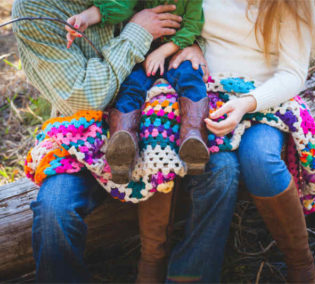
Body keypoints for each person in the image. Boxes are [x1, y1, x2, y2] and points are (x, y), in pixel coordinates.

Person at [12, 0, 239, 282]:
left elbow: (192, 17)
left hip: (163, 115)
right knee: (53, 211)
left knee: (223, 171)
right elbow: (85, 98)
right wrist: (137, 31)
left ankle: (189, 275)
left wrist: (193, 45)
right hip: (82, 134)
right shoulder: (36, 9)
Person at [166, 0, 315, 282]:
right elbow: (185, 20)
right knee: (219, 168)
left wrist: (247, 104)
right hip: (208, 95)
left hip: (265, 101)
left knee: (260, 159)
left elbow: (293, 73)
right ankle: (192, 276)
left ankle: (301, 263)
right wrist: (190, 44)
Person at [65, 0, 209, 184]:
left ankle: (194, 136)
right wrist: (85, 18)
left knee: (191, 78)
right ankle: (122, 145)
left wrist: (164, 51)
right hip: (143, 54)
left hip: (176, 52)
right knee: (131, 85)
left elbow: (193, 26)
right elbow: (118, 6)